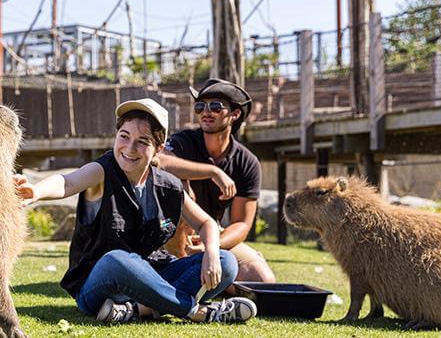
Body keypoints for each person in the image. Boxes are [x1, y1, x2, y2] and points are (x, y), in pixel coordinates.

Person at [14, 98, 257, 324]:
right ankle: (196, 311)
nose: (130, 148)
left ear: (159, 148)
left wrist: (212, 253)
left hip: (151, 276)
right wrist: (36, 192)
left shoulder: (168, 185)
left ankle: (140, 309)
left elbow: (206, 223)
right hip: (100, 283)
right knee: (117, 259)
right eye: (124, 136)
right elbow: (67, 182)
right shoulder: (102, 171)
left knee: (227, 262)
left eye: (142, 142)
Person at [159, 78, 276, 290]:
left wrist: (211, 245)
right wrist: (213, 172)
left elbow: (241, 224)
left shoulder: (247, 162)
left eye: (215, 106)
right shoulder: (183, 141)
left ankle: (195, 283)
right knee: (183, 191)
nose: (206, 111)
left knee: (262, 280)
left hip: (211, 235)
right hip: (167, 228)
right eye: (200, 106)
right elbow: (160, 161)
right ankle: (183, 277)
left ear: (235, 114)